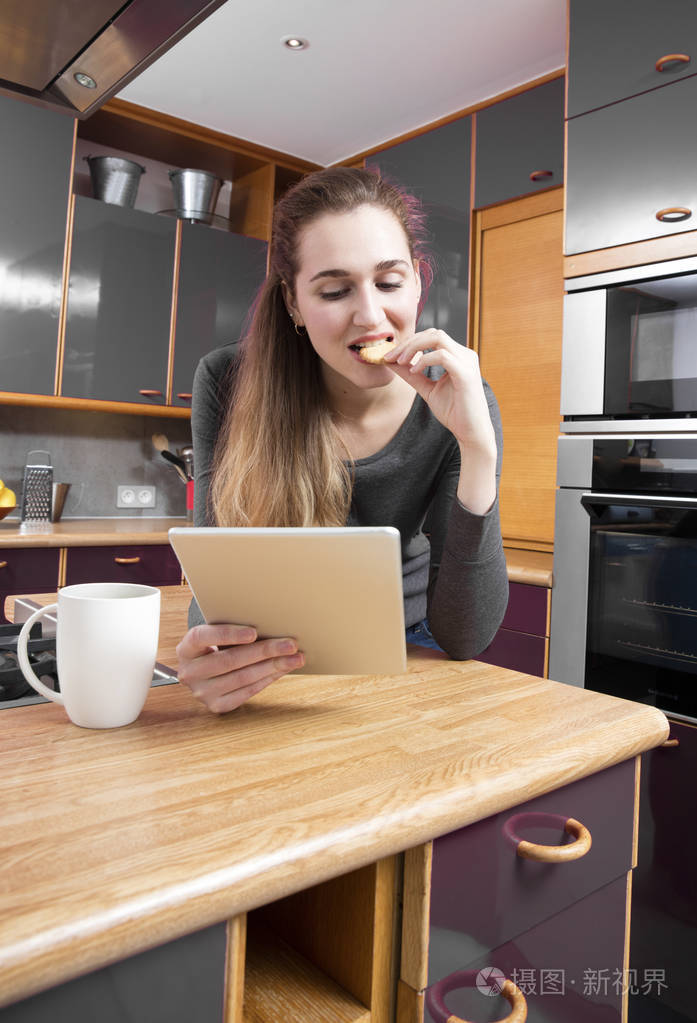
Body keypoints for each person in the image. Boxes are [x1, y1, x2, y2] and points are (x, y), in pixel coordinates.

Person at [176, 166, 509, 714]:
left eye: (390, 282)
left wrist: (478, 450)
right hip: (278, 656)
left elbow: (465, 637)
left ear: (419, 283)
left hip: (412, 647)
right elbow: (219, 574)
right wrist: (218, 658)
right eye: (334, 290)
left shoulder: (461, 400)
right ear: (292, 303)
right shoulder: (226, 382)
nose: (371, 316)